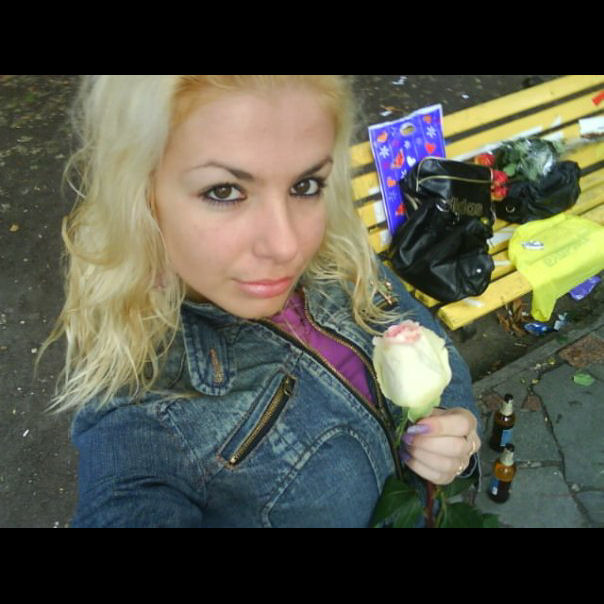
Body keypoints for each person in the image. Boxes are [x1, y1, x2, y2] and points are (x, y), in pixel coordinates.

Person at [41, 75, 481, 527]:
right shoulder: (146, 419)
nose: (287, 246)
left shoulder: (338, 255)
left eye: (305, 185)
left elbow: (427, 338)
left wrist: (456, 426)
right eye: (224, 191)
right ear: (141, 194)